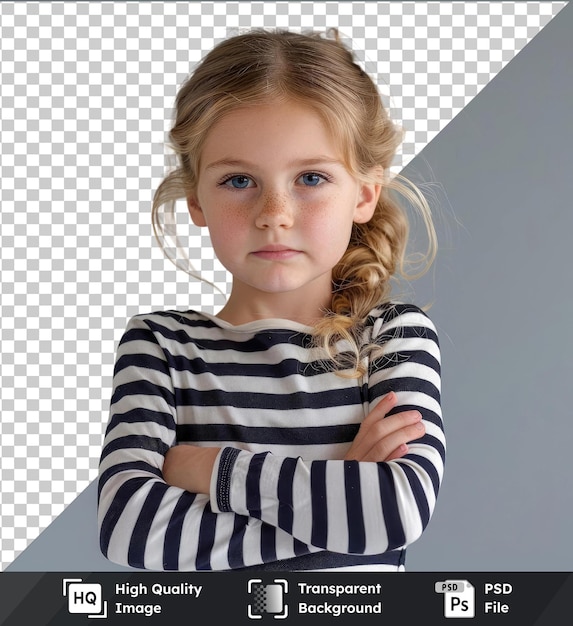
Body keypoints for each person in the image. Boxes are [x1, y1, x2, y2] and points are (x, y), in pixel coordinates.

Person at [98, 28, 445, 572]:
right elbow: (131, 532)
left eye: (310, 177)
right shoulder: (161, 347)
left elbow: (393, 512)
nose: (274, 212)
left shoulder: (392, 338)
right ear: (196, 200)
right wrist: (340, 499)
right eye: (239, 180)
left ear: (364, 193)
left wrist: (207, 468)